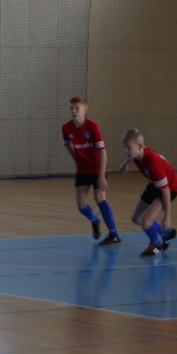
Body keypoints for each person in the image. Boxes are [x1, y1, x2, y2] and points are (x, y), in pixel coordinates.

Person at [117, 129, 177, 257]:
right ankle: (166, 234)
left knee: (146, 221)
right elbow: (132, 156)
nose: (125, 150)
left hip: (169, 188)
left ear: (140, 146)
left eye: (128, 147)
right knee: (136, 218)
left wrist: (167, 217)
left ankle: (156, 245)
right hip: (154, 184)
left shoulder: (153, 163)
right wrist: (125, 164)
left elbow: (166, 191)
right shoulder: (137, 154)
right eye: (124, 147)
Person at [62, 96, 121, 244]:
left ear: (85, 111)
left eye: (77, 108)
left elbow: (102, 151)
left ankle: (114, 234)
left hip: (96, 167)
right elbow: (68, 144)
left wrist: (102, 176)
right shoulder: (66, 128)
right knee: (81, 204)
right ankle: (95, 219)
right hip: (82, 168)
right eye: (71, 108)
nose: (73, 111)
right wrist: (76, 158)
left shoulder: (93, 126)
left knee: (99, 197)